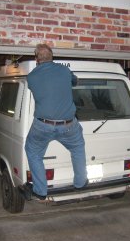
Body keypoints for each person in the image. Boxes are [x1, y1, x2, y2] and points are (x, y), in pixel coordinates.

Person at [24, 44, 88, 200]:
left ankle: (40, 191)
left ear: (36, 59)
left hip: (42, 125)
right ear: (52, 56)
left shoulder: (31, 77)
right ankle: (80, 183)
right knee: (78, 148)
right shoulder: (65, 71)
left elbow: (39, 89)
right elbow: (75, 81)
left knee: (32, 152)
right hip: (68, 125)